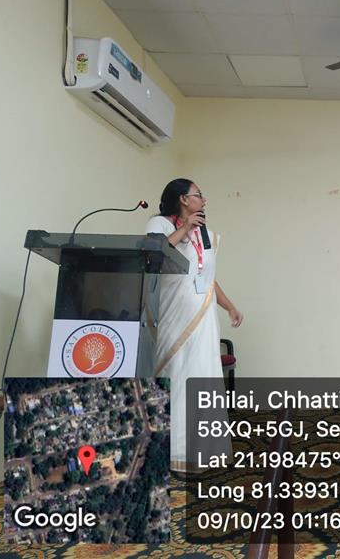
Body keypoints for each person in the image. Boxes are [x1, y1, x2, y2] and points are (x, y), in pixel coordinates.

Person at [145, 178, 243, 471]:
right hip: (173, 316)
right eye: (198, 195)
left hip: (204, 320)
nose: (204, 200)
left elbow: (207, 278)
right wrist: (184, 228)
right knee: (177, 375)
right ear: (183, 199)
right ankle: (171, 452)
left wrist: (230, 306)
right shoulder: (160, 224)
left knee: (203, 377)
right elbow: (154, 255)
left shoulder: (206, 235)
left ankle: (202, 452)